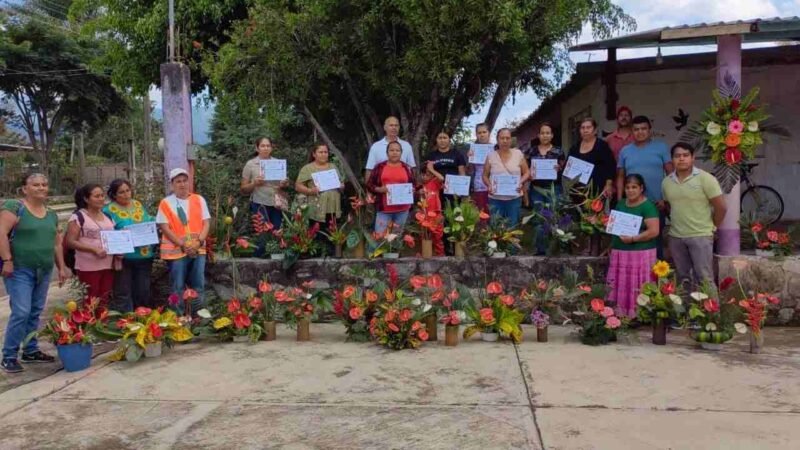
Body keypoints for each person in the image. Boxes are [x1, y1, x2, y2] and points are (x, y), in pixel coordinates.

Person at [0, 174, 69, 373]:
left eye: (44, 184)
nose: (41, 188)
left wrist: (62, 267)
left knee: (35, 311)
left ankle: (30, 350)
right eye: (36, 184)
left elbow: (57, 243)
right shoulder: (15, 208)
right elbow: (1, 233)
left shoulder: (51, 214)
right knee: (21, 311)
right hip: (20, 269)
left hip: (44, 269)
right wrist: (7, 260)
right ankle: (9, 355)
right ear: (25, 189)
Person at [662, 143, 726, 290]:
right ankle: (687, 311)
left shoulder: (706, 179)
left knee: (704, 278)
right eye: (677, 156)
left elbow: (721, 207)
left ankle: (712, 312)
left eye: (685, 155)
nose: (681, 159)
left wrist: (713, 226)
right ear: (672, 160)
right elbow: (668, 206)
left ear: (693, 158)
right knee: (683, 278)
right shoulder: (666, 182)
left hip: (700, 236)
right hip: (676, 237)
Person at [616, 116, 673, 259]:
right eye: (636, 129)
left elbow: (671, 175)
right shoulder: (625, 151)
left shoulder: (661, 147)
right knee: (630, 240)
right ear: (631, 131)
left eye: (643, 129)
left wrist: (666, 199)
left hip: (655, 204)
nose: (640, 132)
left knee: (655, 241)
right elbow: (621, 176)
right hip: (631, 204)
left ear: (649, 130)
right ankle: (635, 276)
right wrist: (619, 201)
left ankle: (658, 278)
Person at [157, 168, 211, 315]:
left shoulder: (199, 199)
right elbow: (164, 227)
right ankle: (178, 318)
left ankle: (199, 317)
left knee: (198, 285)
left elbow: (206, 223)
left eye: (184, 180)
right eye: (178, 181)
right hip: (176, 252)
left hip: (198, 250)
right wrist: (183, 245)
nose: (182, 184)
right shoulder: (165, 203)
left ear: (189, 182)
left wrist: (198, 242)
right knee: (177, 286)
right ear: (172, 184)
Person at [606, 174, 660, 318]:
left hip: (641, 253)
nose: (630, 190)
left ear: (641, 188)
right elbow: (615, 227)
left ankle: (640, 315)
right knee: (623, 285)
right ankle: (621, 315)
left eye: (634, 187)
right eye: (628, 187)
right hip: (620, 252)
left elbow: (654, 231)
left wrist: (633, 238)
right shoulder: (621, 204)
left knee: (638, 285)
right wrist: (611, 245)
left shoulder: (648, 206)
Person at [104, 179, 155, 312]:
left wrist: (154, 224)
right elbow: (107, 233)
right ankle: (125, 324)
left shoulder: (137, 204)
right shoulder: (108, 210)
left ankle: (143, 323)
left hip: (144, 255)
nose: (126, 194)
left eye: (128, 190)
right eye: (121, 192)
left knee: (143, 291)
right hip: (124, 258)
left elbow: (148, 220)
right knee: (123, 292)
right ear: (114, 195)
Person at [66, 184, 116, 305]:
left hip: (107, 264)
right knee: (91, 299)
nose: (101, 199)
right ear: (86, 199)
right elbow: (70, 241)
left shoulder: (107, 216)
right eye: (96, 196)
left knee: (104, 298)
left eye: (102, 195)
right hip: (88, 266)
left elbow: (114, 238)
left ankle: (101, 323)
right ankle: (90, 324)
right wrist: (93, 249)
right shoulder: (78, 217)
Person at [295, 143, 344, 255]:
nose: (323, 154)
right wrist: (310, 191)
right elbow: (298, 186)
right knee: (316, 232)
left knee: (332, 233)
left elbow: (340, 183)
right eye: (320, 152)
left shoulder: (333, 166)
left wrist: (341, 186)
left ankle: (332, 256)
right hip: (316, 207)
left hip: (332, 207)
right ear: (314, 154)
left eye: (325, 152)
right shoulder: (308, 168)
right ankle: (316, 256)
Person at [525, 122, 565, 255]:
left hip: (554, 189)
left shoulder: (559, 151)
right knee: (538, 218)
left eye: (548, 133)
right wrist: (529, 174)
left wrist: (559, 169)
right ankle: (540, 249)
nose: (545, 135)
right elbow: (525, 170)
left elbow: (564, 169)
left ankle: (553, 248)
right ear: (538, 135)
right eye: (542, 133)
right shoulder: (531, 151)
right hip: (536, 189)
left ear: (552, 135)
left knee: (553, 217)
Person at [240, 137, 290, 239]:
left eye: (268, 146)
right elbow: (243, 189)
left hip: (277, 203)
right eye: (262, 146)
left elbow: (285, 185)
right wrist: (254, 183)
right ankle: (261, 254)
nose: (265, 148)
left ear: (271, 148)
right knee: (263, 234)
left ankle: (276, 254)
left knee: (278, 232)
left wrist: (284, 184)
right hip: (259, 203)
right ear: (257, 148)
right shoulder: (250, 164)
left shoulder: (278, 163)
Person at [482, 128, 530, 226]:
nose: (504, 141)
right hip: (495, 199)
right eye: (502, 138)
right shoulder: (491, 156)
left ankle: (511, 242)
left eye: (507, 138)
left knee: (512, 227)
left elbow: (527, 172)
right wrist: (489, 185)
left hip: (514, 199)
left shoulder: (518, 154)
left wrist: (521, 181)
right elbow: (484, 175)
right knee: (495, 228)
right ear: (497, 140)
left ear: (511, 140)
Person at [367, 140, 416, 235]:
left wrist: (412, 190)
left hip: (403, 210)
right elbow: (369, 185)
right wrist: (379, 189)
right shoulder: (380, 167)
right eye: (391, 150)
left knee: (396, 238)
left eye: (397, 150)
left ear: (401, 153)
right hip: (384, 210)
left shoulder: (407, 168)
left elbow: (414, 184)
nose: (394, 152)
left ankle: (394, 250)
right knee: (380, 237)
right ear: (387, 152)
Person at [568, 118, 616, 198]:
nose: (585, 130)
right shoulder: (574, 148)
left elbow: (610, 167)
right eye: (582, 128)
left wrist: (608, 185)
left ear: (595, 130)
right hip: (577, 191)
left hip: (597, 191)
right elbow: (568, 166)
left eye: (588, 127)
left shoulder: (602, 146)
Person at [365, 116, 416, 181]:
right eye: (391, 125)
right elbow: (369, 169)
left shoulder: (406, 146)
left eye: (396, 125)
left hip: (403, 187)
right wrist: (368, 190)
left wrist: (414, 188)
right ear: (385, 127)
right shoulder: (376, 147)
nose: (394, 128)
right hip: (382, 188)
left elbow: (412, 169)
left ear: (399, 127)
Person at [469, 123, 492, 213]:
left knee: (494, 214)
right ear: (476, 135)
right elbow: (470, 170)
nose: (482, 135)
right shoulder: (473, 149)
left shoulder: (496, 148)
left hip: (494, 184)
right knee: (482, 213)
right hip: (479, 185)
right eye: (479, 133)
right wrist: (470, 159)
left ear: (489, 133)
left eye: (484, 132)